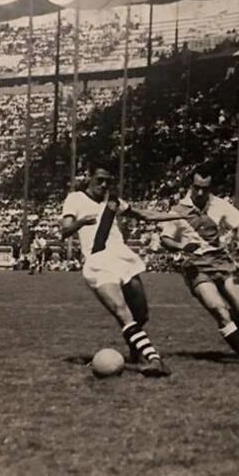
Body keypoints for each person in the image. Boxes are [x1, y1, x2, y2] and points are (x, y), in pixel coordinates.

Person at [60, 160, 181, 378]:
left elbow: (146, 215)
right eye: (100, 180)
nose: (104, 185)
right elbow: (65, 231)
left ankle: (136, 351)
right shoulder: (75, 199)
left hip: (122, 259)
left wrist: (181, 216)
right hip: (98, 263)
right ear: (88, 177)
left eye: (108, 181)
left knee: (141, 314)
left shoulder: (113, 201)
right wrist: (82, 222)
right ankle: (155, 360)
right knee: (121, 310)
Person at [160, 165, 239, 360]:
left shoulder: (220, 205)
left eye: (205, 188)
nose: (200, 192)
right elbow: (165, 238)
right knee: (219, 311)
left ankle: (235, 327)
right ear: (190, 186)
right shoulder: (179, 210)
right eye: (196, 187)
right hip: (196, 266)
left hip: (222, 261)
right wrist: (181, 247)